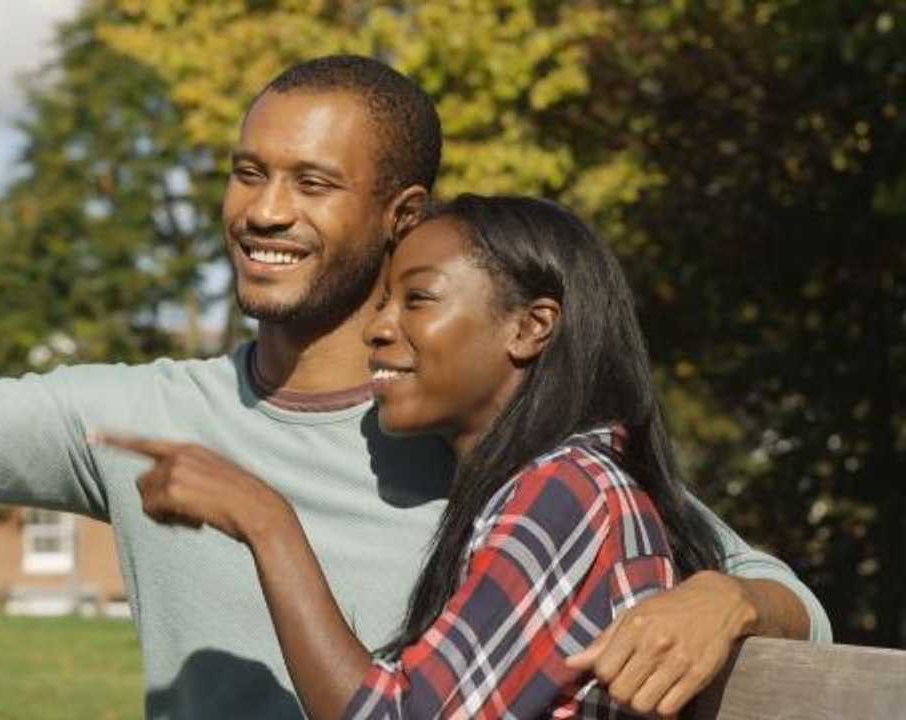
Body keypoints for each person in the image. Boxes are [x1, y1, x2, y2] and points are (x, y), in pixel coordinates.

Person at [0, 56, 829, 719]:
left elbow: (783, 597)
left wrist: (725, 602)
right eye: (248, 172)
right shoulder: (148, 417)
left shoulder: (495, 439)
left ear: (400, 217)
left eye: (312, 184)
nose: (263, 211)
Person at [96, 194, 726, 718]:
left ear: (530, 328)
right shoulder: (546, 486)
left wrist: (266, 520)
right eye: (382, 302)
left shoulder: (568, 491)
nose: (378, 328)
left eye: (417, 299)